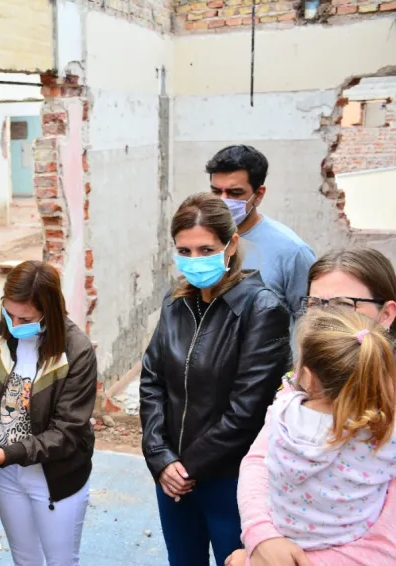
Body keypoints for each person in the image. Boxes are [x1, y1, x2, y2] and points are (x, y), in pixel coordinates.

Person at [140, 192, 292, 566]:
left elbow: (248, 410)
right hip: (172, 477)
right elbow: (152, 381)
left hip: (229, 479)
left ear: (231, 245)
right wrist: (160, 456)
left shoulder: (262, 308)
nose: (194, 260)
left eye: (206, 249)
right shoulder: (176, 301)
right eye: (185, 251)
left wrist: (186, 468)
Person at [229, 248, 396, 566]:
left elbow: (386, 547)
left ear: (386, 314)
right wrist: (261, 535)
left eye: (344, 305)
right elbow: (259, 460)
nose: (323, 319)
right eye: (315, 304)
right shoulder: (302, 383)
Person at [0, 260, 97, 566]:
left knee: (61, 562)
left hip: (55, 477)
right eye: (9, 313)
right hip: (8, 475)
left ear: (49, 311)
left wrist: (7, 454)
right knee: (25, 560)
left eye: (25, 318)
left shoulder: (76, 351)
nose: (14, 325)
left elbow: (66, 432)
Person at [264, 308, 396, 550]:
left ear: (307, 377)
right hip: (350, 546)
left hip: (283, 540)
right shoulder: (383, 432)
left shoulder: (281, 413)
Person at [207, 145, 315, 322]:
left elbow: (310, 321)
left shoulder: (292, 251)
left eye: (235, 193)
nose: (223, 201)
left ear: (259, 194)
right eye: (216, 191)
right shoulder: (199, 242)